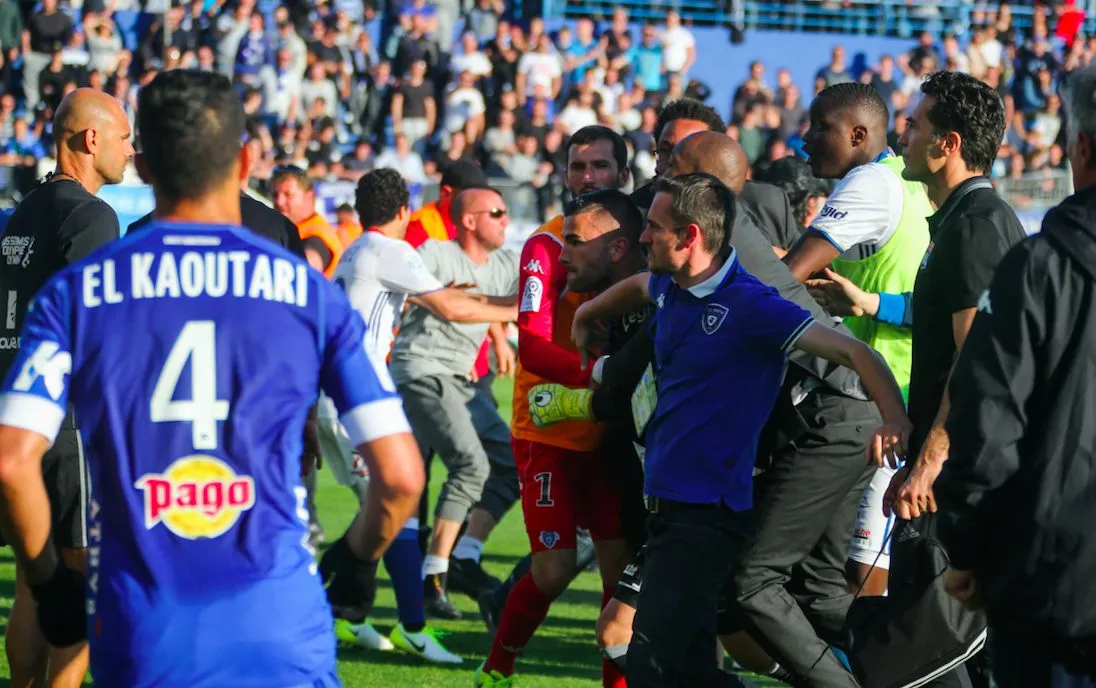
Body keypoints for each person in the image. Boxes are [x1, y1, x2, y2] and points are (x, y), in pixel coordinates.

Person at [0, 69, 425, 687]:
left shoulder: (79, 292)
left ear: (143, 166)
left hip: (147, 632)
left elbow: (12, 460)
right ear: (245, 157)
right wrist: (357, 560)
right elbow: (402, 476)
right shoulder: (308, 293)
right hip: (281, 631)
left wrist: (48, 583)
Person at [570, 173, 911, 688]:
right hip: (666, 513)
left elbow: (853, 351)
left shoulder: (752, 305)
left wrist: (895, 419)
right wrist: (592, 311)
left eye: (654, 229)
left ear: (689, 237)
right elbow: (641, 285)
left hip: (706, 518)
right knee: (686, 670)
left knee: (652, 664)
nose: (641, 238)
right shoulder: (671, 287)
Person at [934, 65, 1096, 688]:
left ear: (1079, 146)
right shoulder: (1041, 264)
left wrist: (967, 546)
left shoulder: (1039, 267)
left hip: (1053, 590)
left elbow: (989, 418)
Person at [318, 169, 518, 662]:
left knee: (382, 514)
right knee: (399, 512)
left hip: (339, 396)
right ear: (404, 211)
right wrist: (517, 310)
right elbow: (450, 307)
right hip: (353, 398)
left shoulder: (356, 249)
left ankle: (350, 615)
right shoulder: (392, 250)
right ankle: (411, 626)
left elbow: (440, 297)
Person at [476, 126, 634, 688]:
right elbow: (533, 340)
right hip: (548, 428)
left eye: (600, 166)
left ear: (623, 174)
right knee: (554, 568)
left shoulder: (641, 243)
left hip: (614, 434)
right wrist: (598, 375)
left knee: (620, 573)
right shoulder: (546, 245)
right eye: (578, 167)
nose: (587, 177)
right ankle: (497, 670)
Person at [0, 87, 131, 688]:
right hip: (65, 422)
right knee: (82, 578)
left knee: (36, 577)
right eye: (125, 137)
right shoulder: (92, 215)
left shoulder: (18, 213)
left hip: (15, 418)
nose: (131, 151)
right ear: (91, 138)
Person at [784, 82, 933, 598]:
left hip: (880, 406)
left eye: (819, 127)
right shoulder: (908, 181)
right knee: (843, 568)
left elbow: (788, 277)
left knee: (860, 572)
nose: (806, 139)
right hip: (904, 394)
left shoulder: (869, 182)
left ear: (859, 134)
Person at [879, 71, 1026, 525]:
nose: (902, 137)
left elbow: (976, 357)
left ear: (948, 144)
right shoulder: (962, 219)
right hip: (942, 470)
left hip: (954, 480)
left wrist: (928, 463)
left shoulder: (975, 227)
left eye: (914, 126)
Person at [387, 186, 519, 620]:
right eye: (496, 213)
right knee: (471, 466)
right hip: (422, 369)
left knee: (512, 464)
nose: (505, 220)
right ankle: (433, 578)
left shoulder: (502, 265)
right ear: (468, 220)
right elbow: (440, 305)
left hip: (461, 379)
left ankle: (464, 555)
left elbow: (523, 305)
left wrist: (492, 323)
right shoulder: (435, 253)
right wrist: (496, 309)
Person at [645, 98, 800, 250]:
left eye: (689, 153)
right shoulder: (631, 217)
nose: (673, 162)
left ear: (718, 155)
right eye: (665, 151)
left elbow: (812, 263)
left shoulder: (766, 203)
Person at [271, 164, 344, 277]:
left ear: (309, 196)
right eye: (275, 195)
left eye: (288, 195)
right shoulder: (293, 228)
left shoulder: (317, 235)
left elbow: (308, 265)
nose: (279, 202)